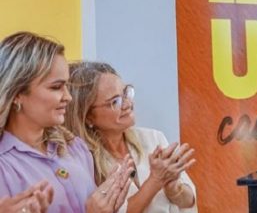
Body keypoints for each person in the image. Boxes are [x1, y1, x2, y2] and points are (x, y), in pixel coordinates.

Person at [0, 31, 133, 213]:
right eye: (56, 87)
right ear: (17, 94)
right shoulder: (4, 166)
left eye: (67, 86)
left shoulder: (75, 148)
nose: (68, 97)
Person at [65, 61, 198, 212]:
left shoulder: (153, 138)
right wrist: (155, 180)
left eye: (125, 93)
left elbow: (189, 202)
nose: (127, 104)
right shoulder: (81, 161)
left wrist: (173, 188)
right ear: (88, 117)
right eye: (115, 102)